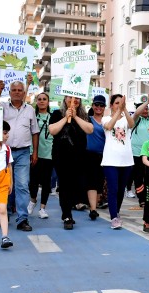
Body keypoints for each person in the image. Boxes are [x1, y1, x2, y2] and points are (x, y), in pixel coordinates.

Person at [0, 76, 38, 232]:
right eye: (14, 90)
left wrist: (35, 152)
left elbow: (35, 132)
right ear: (9, 92)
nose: (17, 93)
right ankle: (4, 214)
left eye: (20, 90)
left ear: (23, 92)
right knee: (4, 185)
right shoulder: (2, 106)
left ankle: (22, 218)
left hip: (24, 152)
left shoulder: (30, 109)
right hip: (4, 151)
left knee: (22, 185)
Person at [49, 96, 94, 230]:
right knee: (64, 186)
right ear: (64, 99)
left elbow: (90, 129)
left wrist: (75, 117)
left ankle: (72, 207)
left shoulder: (84, 115)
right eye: (70, 98)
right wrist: (66, 117)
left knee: (77, 185)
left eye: (77, 99)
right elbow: (53, 130)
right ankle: (67, 215)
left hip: (79, 156)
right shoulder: (57, 113)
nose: (74, 100)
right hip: (61, 156)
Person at [102, 94, 135, 229]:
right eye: (116, 103)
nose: (118, 105)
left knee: (121, 190)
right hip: (110, 160)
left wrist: (124, 110)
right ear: (111, 105)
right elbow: (109, 127)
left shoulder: (126, 119)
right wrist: (118, 111)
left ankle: (116, 212)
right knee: (113, 189)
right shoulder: (106, 118)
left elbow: (132, 124)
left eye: (120, 103)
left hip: (126, 160)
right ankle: (114, 217)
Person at [27, 92, 55, 220]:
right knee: (32, 181)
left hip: (48, 153)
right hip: (33, 153)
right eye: (39, 99)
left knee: (46, 182)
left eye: (44, 99)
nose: (42, 101)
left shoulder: (53, 117)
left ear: (48, 102)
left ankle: (42, 208)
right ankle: (33, 200)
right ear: (36, 102)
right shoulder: (32, 117)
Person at [130, 96, 149, 208]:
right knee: (139, 177)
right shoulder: (135, 119)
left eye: (147, 109)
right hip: (137, 153)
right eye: (144, 108)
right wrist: (146, 103)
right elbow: (136, 113)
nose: (146, 110)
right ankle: (142, 198)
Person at [86, 95, 107, 220]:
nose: (99, 107)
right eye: (96, 105)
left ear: (104, 107)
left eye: (101, 105)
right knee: (92, 182)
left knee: (100, 183)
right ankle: (93, 209)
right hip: (89, 155)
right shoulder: (88, 119)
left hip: (105, 155)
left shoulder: (108, 121)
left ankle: (95, 203)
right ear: (93, 106)